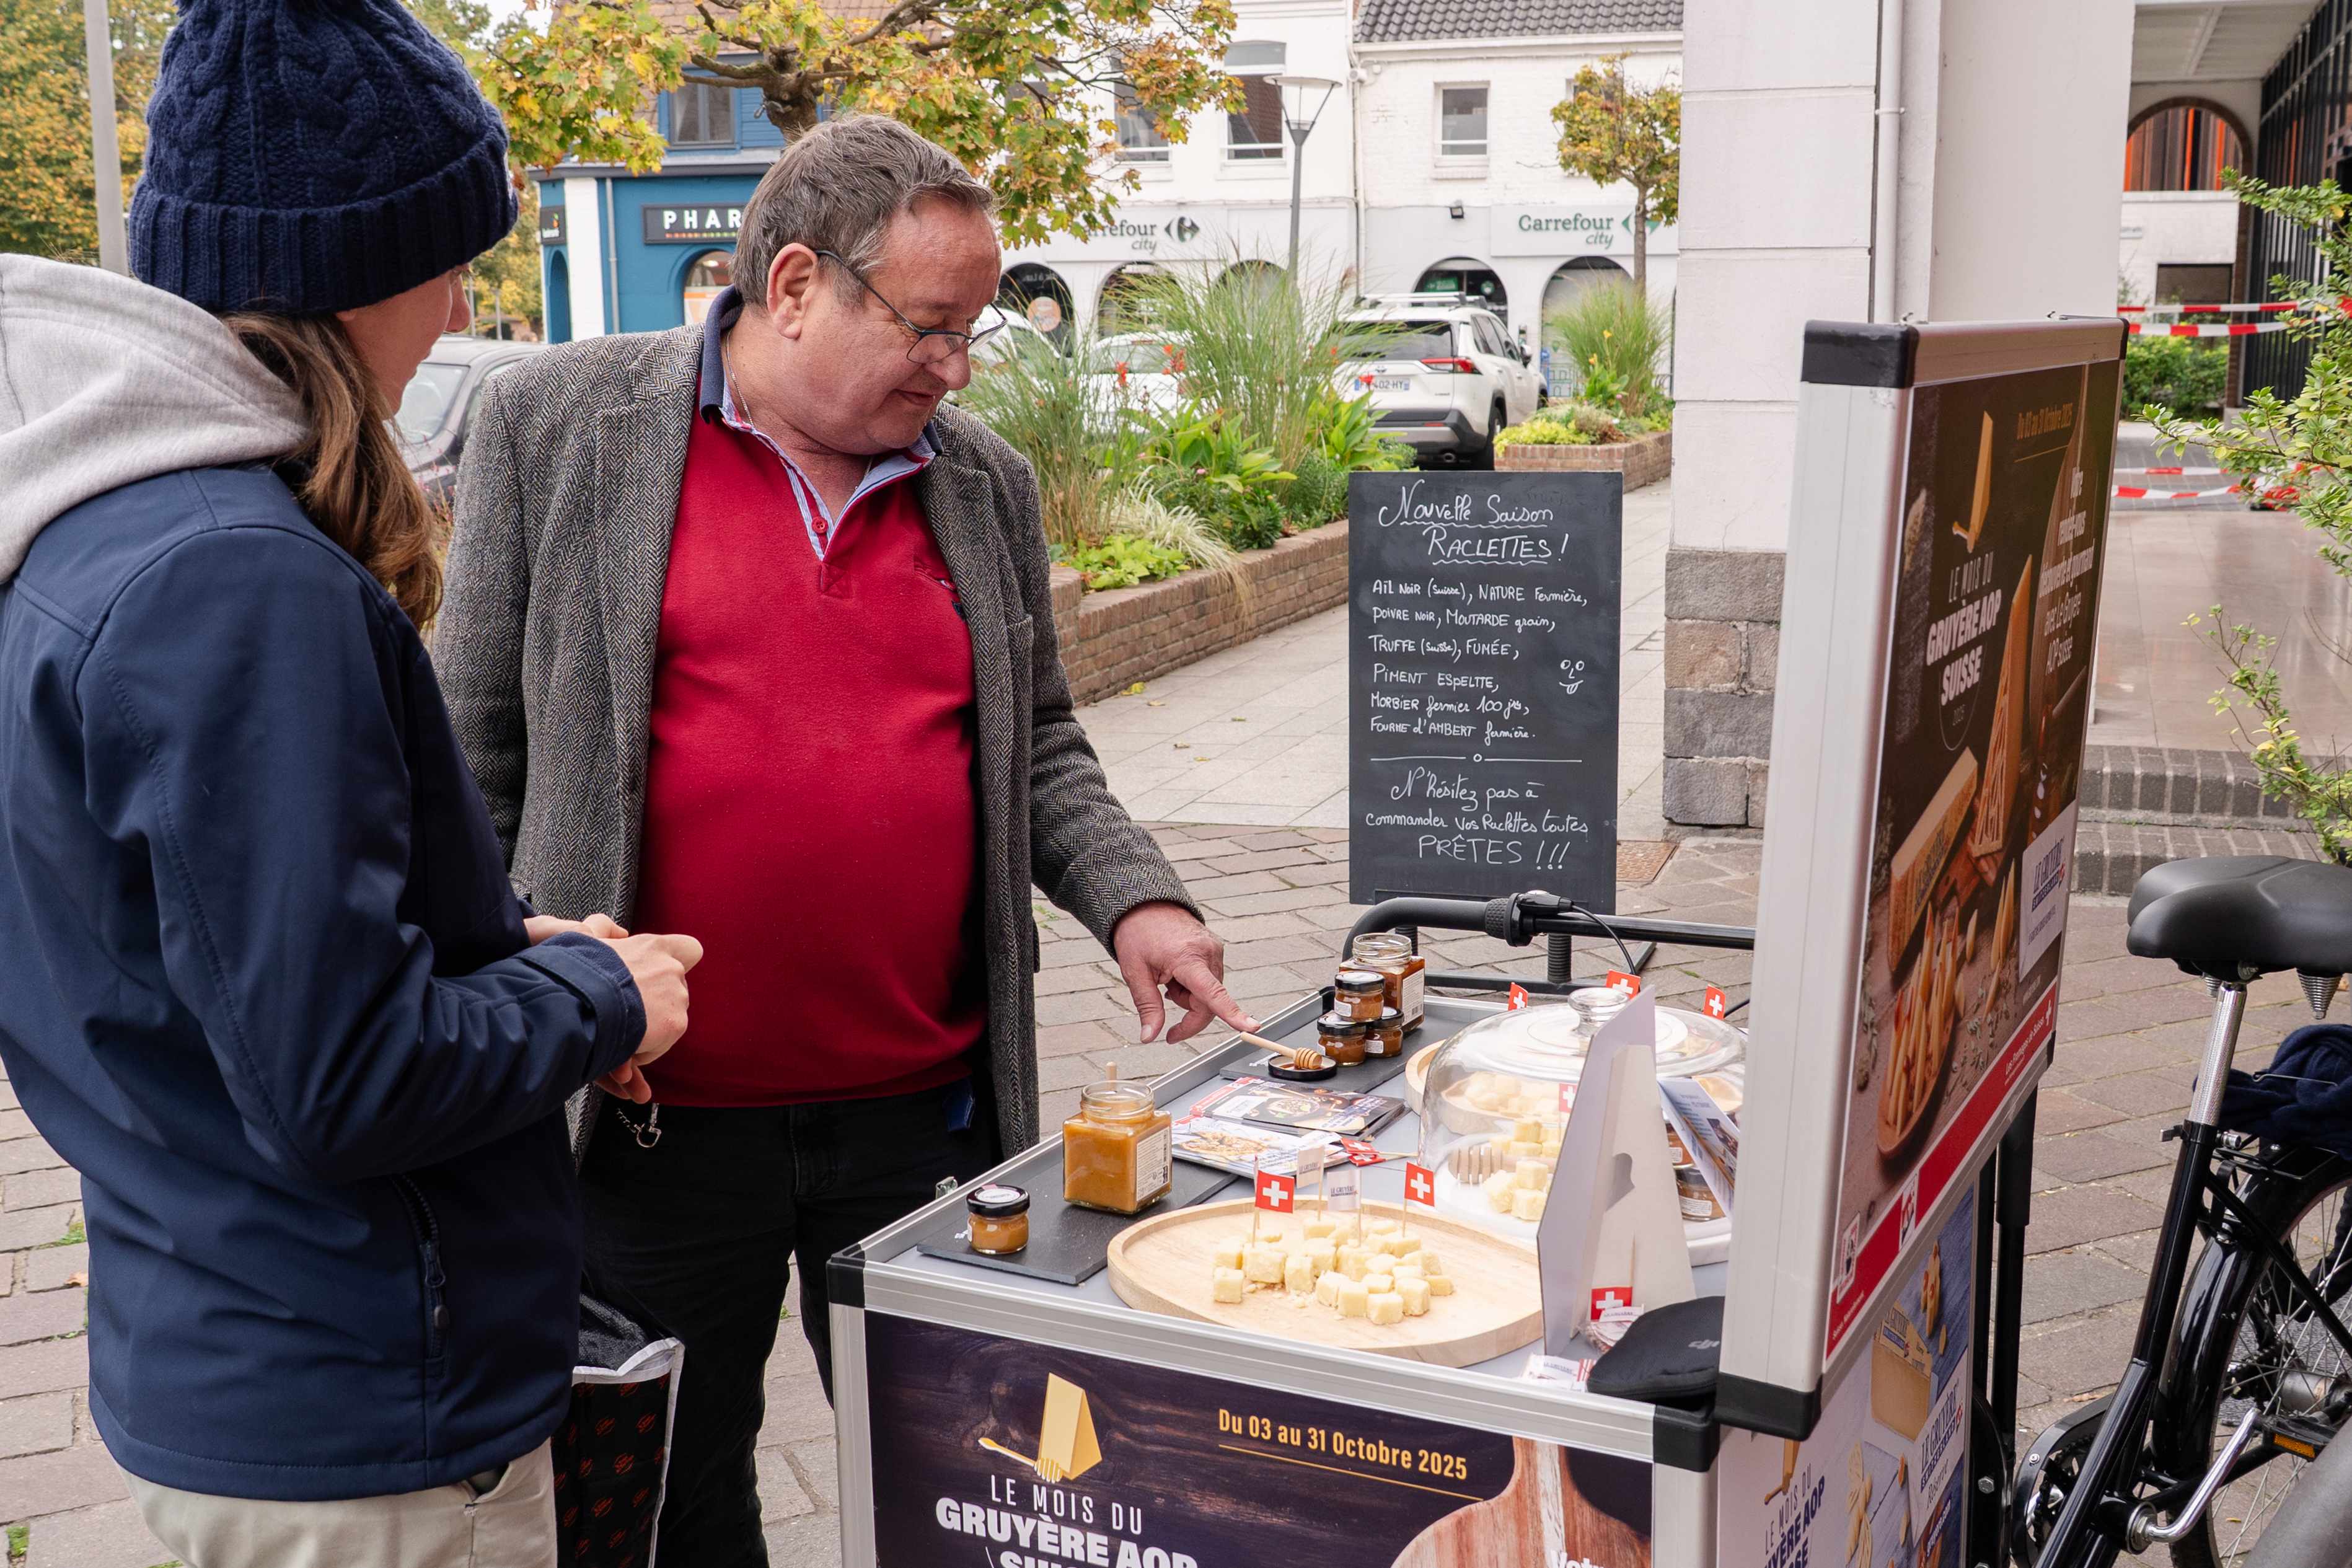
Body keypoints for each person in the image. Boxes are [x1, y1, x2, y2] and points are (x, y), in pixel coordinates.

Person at [433, 113, 1251, 1564]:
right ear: (795, 280)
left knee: (965, 1480)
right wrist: (507, 988)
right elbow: (464, 757)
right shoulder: (556, 425)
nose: (956, 365)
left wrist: (1139, 902)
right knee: (678, 1498)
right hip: (653, 1121)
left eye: (972, 331)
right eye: (930, 327)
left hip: (923, 1117)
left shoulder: (979, 479)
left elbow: (1040, 738)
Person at [0, 2, 704, 1564]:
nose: (458, 306)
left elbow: (182, 974)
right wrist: (601, 994)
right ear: (353, 268)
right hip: (366, 1426)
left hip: (236, 1350)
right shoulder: (237, 583)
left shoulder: (85, 539)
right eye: (448, 258)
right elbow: (343, 1081)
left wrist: (481, 957)